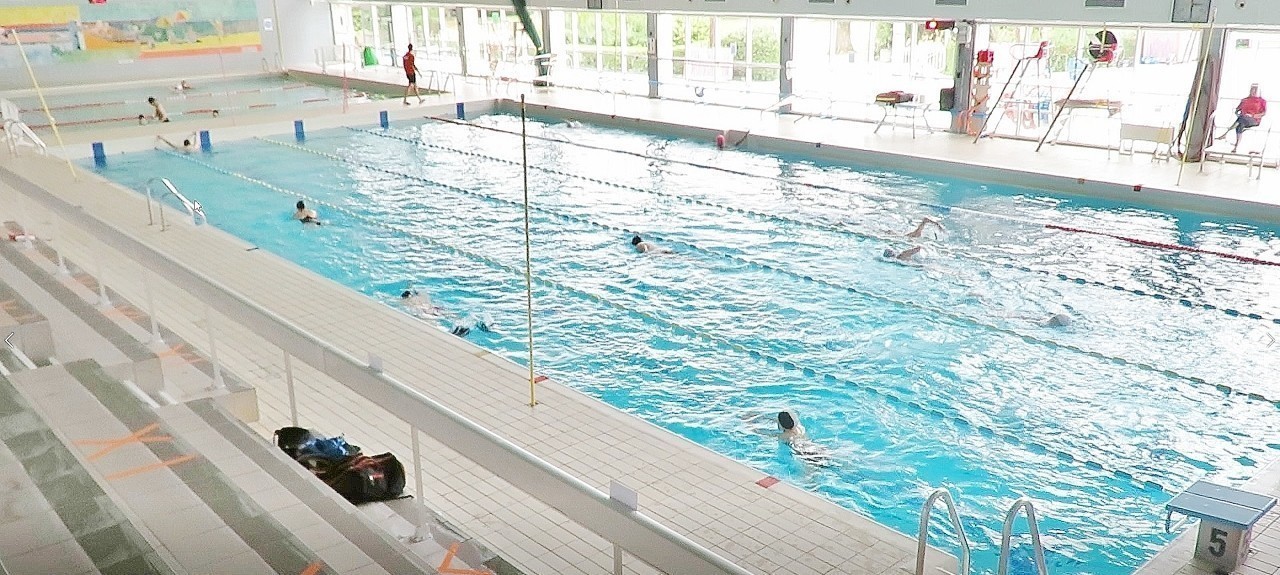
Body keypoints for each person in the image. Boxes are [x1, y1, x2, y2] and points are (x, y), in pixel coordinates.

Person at [1218, 84, 1267, 153]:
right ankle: (1236, 147)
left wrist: (1252, 116)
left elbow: (1263, 113)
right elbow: (1237, 109)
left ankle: (1226, 134)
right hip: (1243, 119)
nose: (1254, 92)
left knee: (1241, 119)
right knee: (1240, 124)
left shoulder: (1262, 101)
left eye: (1256, 90)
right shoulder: (1245, 100)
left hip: (1254, 120)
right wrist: (1238, 113)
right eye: (1253, 90)